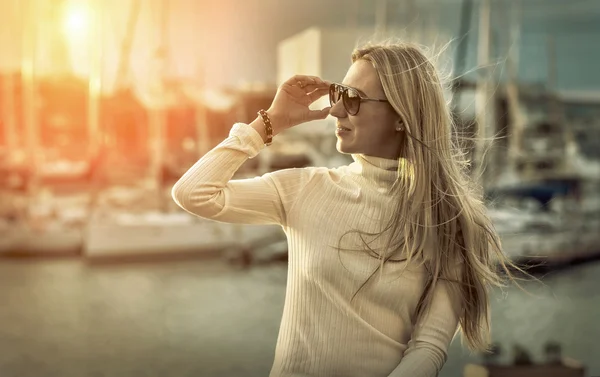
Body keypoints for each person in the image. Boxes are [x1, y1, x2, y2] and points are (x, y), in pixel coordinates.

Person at [171, 42, 519, 377]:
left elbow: (428, 348)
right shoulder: (303, 189)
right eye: (338, 94)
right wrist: (268, 124)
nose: (335, 110)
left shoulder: (447, 220)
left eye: (352, 99)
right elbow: (194, 193)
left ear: (402, 115)